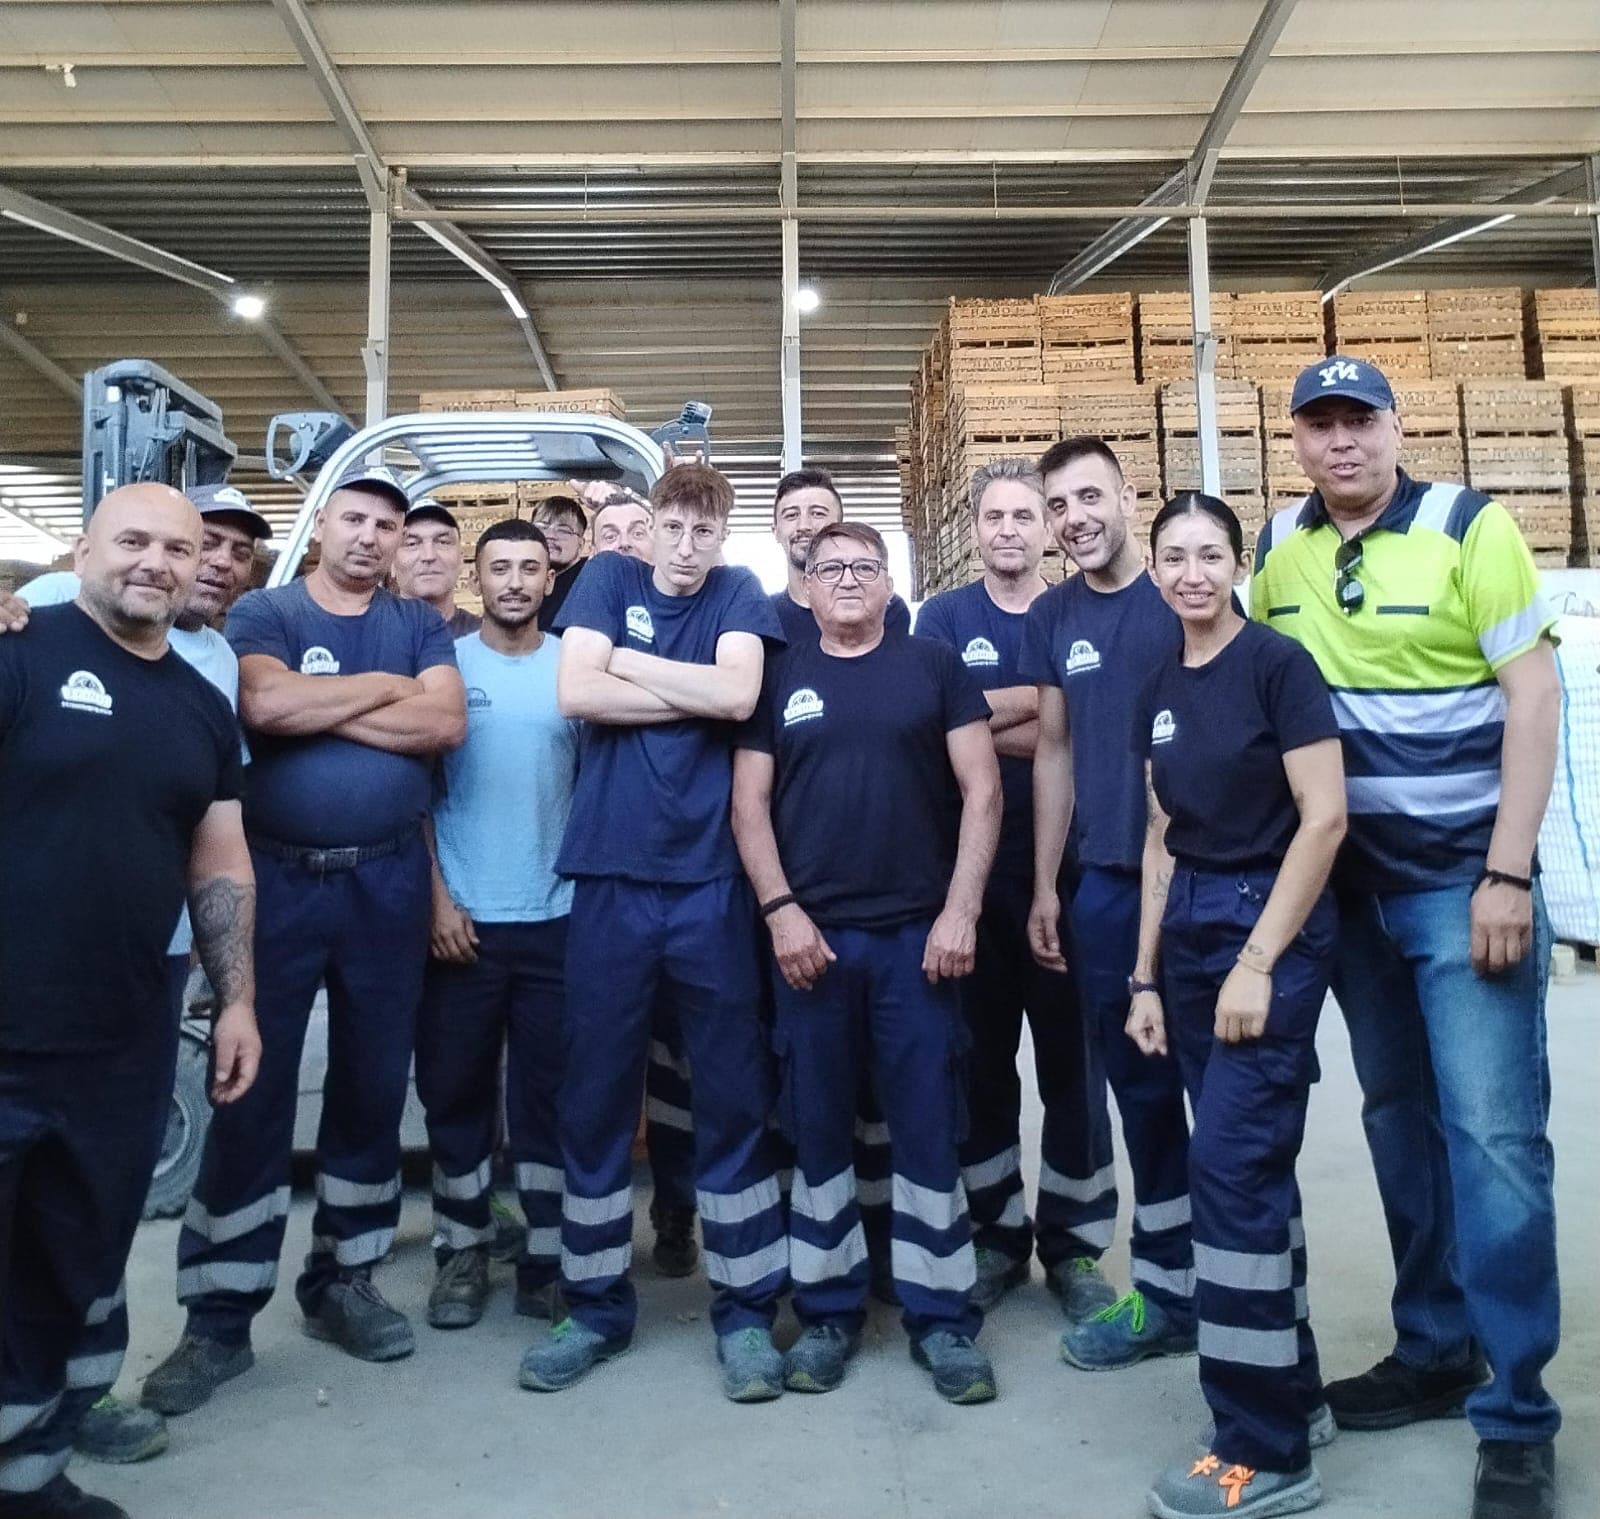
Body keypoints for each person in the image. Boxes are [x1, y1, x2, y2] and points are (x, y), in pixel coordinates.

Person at [1253, 357, 1564, 1519]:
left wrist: (1506, 870)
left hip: (1457, 885)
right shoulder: (1277, 548)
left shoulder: (1467, 528)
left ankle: (1518, 1409)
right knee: (1396, 1122)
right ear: (1294, 441)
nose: (1341, 443)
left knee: (1492, 1138)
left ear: (1395, 427)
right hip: (1349, 895)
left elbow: (1531, 699)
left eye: (1359, 421)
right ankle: (1435, 1345)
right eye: (1318, 425)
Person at [142, 464, 466, 1416]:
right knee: (251, 1087)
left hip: (387, 878)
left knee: (370, 1082)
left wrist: (331, 704)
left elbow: (444, 721)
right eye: (355, 519)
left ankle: (344, 1281)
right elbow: (266, 709)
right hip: (277, 877)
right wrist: (379, 693)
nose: (371, 537)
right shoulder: (268, 612)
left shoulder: (419, 621)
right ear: (322, 523)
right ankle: (219, 1316)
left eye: (388, 526)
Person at [0, 484, 259, 1519]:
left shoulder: (199, 703)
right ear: (81, 549)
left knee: (77, 1262)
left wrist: (236, 999)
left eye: (178, 548)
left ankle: (29, 1478)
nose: (156, 561)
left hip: (124, 1033)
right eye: (133, 540)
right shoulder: (19, 647)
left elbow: (221, 859)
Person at [520, 463, 787, 1401]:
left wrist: (625, 663)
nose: (684, 547)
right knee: (594, 1092)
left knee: (731, 1091)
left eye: (703, 533)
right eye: (671, 526)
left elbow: (740, 700)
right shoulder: (604, 579)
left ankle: (747, 1312)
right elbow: (576, 696)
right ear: (650, 527)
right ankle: (591, 1305)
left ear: (723, 538)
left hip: (712, 884)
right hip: (610, 880)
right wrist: (685, 682)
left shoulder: (743, 593)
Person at [732, 520, 1003, 1404]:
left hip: (917, 944)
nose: (846, 580)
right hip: (811, 944)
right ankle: (828, 1312)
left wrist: (961, 911)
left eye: (865, 566)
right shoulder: (781, 674)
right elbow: (749, 807)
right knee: (817, 1132)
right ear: (802, 585)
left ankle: (945, 1318)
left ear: (892, 582)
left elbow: (984, 791)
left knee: (927, 1128)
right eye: (828, 567)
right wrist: (780, 915)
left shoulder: (933, 665)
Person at [1124, 493, 1346, 1519]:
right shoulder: (1160, 682)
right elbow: (1162, 836)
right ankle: (1292, 1392)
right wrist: (1142, 977)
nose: (1191, 572)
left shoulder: (1276, 666)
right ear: (1157, 569)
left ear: (1235, 561)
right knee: (1251, 1173)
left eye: (1209, 553)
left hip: (1271, 919)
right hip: (1192, 934)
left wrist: (1259, 959)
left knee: (1227, 1171)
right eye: (1173, 556)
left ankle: (1260, 1447)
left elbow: (1325, 817)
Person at [1019, 437, 1197, 1368]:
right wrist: (1049, 881)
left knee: (1226, 1098)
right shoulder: (1054, 613)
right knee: (1139, 1095)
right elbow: (1053, 748)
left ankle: (1248, 1301)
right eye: (1059, 505)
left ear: (1129, 495)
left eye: (1090, 495)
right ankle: (1168, 1291)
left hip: (1199, 887)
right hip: (1101, 886)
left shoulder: (1181, 592)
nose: (1075, 517)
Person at [915, 459, 1106, 1313]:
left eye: (1025, 515)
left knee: (1074, 1064)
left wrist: (988, 716)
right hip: (973, 878)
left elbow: (1097, 735)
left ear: (1045, 528)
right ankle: (996, 1234)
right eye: (993, 516)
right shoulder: (943, 615)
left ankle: (1075, 1245)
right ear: (976, 526)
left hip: (1072, 872)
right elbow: (934, 729)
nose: (1008, 530)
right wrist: (1045, 709)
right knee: (980, 1064)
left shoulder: (1078, 610)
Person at [415, 520, 580, 1334]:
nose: (516, 580)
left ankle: (547, 1259)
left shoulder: (573, 668)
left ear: (551, 579)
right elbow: (417, 794)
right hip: (464, 923)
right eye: (500, 567)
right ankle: (463, 1250)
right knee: (456, 1093)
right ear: (477, 579)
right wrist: (437, 898)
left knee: (547, 1098)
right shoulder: (444, 666)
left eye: (530, 567)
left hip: (555, 919)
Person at [769, 467, 911, 643]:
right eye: (791, 515)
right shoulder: (762, 615)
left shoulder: (885, 608)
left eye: (818, 513)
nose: (804, 525)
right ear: (775, 531)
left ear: (839, 525)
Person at [392, 499, 481, 636]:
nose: (429, 556)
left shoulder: (487, 642)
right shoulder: (368, 640)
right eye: (412, 544)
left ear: (461, 559)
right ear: (391, 563)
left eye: (443, 542)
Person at [533, 494, 589, 631]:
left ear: (581, 544)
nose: (550, 536)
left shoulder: (590, 578)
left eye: (563, 531)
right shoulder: (524, 581)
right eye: (542, 527)